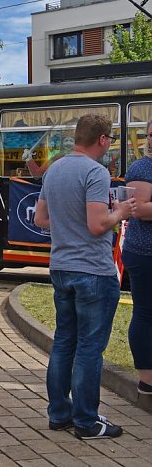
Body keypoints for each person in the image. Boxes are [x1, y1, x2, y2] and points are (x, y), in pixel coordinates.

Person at [34, 114, 135, 439]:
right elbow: (96, 225)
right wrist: (121, 212)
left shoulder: (55, 169)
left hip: (61, 267)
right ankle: (87, 422)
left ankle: (59, 414)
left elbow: (40, 218)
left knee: (64, 342)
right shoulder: (95, 172)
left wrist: (69, 223)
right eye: (110, 141)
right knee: (90, 349)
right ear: (102, 140)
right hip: (93, 270)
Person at [124, 119, 152, 395]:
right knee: (145, 312)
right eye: (151, 134)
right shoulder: (142, 168)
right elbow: (140, 210)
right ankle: (147, 379)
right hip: (145, 253)